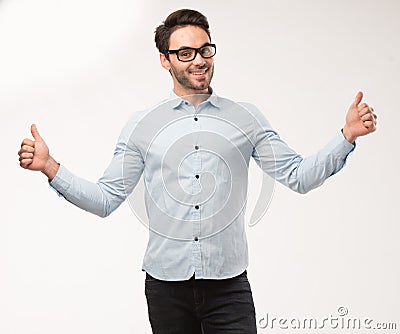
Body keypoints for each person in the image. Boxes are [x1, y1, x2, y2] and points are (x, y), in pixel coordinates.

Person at [18, 8, 377, 334]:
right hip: (165, 289)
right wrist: (50, 167)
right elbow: (105, 199)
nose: (199, 60)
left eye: (205, 50)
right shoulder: (142, 125)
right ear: (165, 60)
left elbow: (298, 177)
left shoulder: (245, 118)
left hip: (229, 287)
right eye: (185, 53)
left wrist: (346, 136)